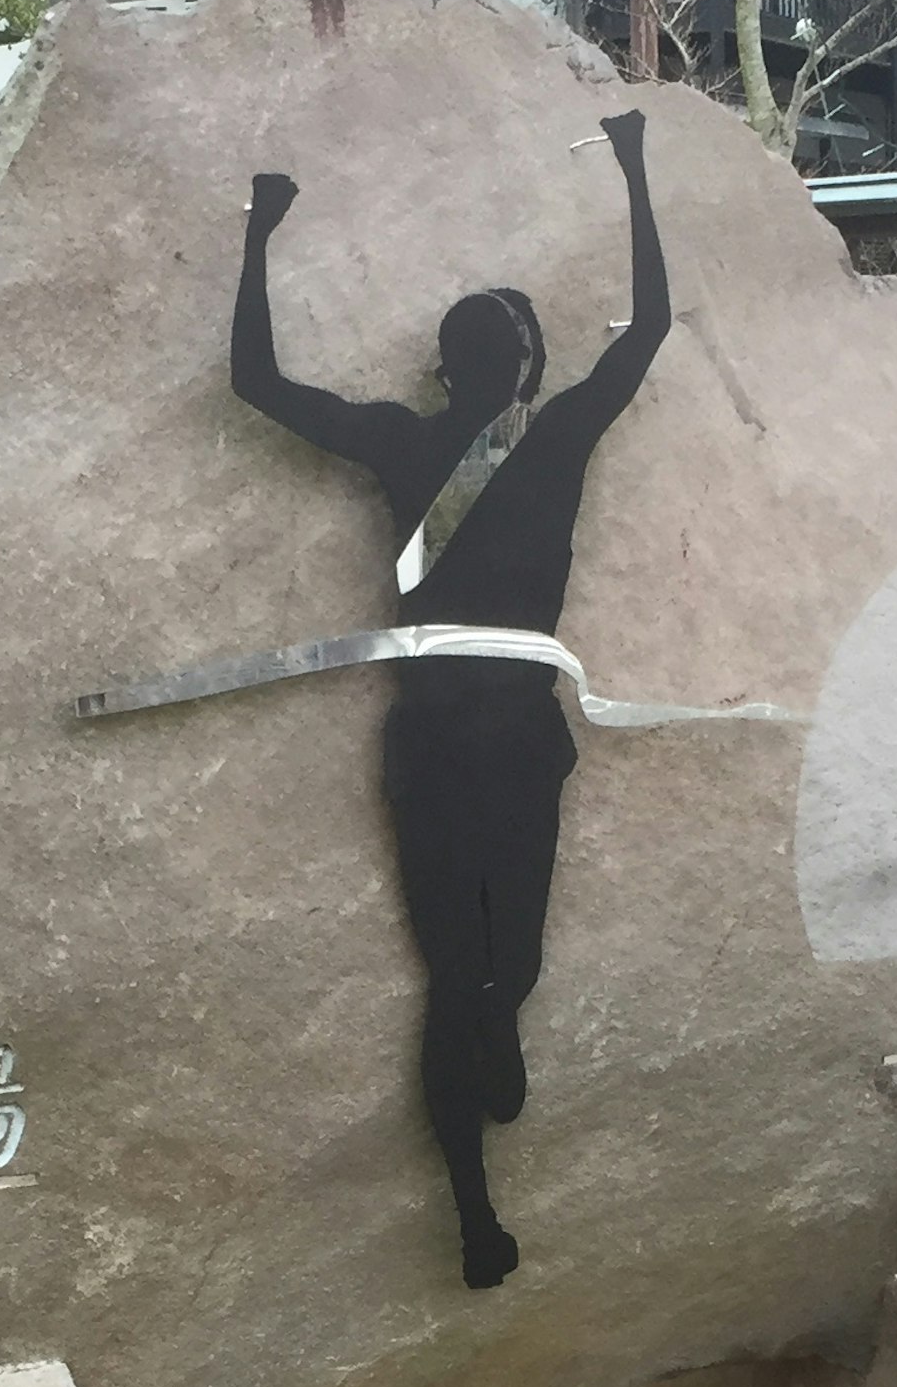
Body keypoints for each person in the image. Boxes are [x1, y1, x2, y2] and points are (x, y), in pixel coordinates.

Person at [230, 110, 668, 1288]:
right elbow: (649, 334)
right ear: (526, 368)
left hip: (432, 735)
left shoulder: (398, 440)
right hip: (516, 735)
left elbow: (255, 380)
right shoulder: (557, 438)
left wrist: (259, 232)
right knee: (500, 962)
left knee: (457, 974)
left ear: (444, 368)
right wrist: (631, 168)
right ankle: (480, 1158)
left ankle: (474, 1194)